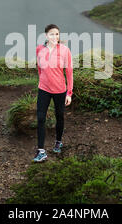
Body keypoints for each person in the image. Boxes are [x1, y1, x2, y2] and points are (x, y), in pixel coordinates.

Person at [33, 24, 73, 162]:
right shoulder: (39, 49)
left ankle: (58, 141)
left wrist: (69, 93)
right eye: (51, 34)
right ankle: (41, 151)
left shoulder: (64, 50)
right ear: (46, 36)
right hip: (43, 89)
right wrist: (42, 81)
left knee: (59, 116)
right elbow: (39, 68)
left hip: (60, 90)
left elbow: (69, 73)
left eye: (57, 34)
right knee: (40, 118)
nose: (55, 37)